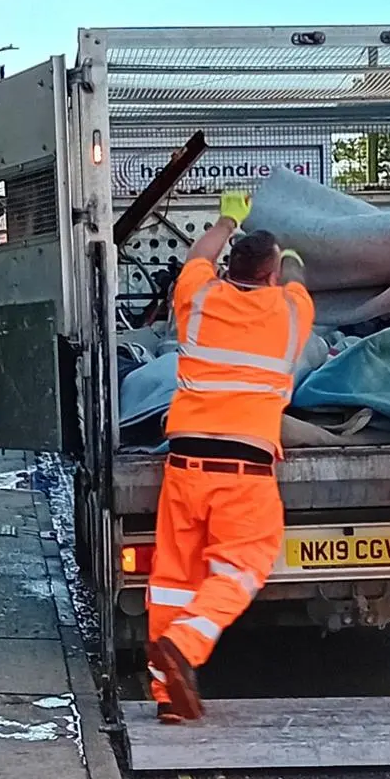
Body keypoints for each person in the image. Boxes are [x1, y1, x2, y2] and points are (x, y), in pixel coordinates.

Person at [146, 190, 315, 723]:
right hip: (244, 472)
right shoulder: (291, 313)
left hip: (184, 463)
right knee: (245, 567)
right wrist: (291, 257)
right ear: (271, 276)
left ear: (228, 269)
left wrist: (226, 219)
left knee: (174, 577)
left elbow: (199, 257)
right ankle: (183, 647)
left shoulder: (197, 298)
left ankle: (167, 696)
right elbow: (299, 283)